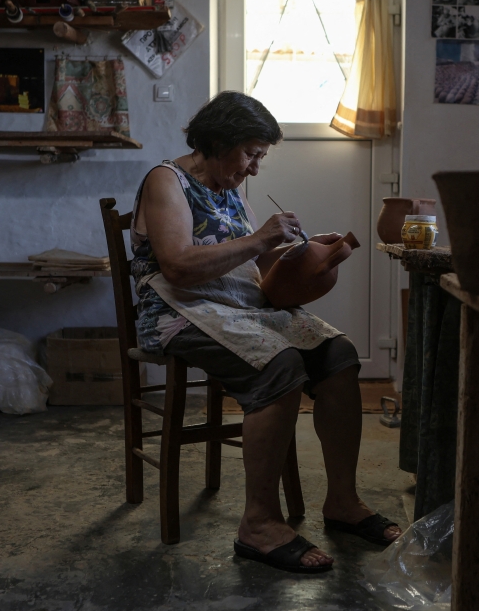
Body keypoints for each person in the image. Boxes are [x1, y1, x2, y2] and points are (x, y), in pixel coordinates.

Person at [130, 91, 402, 574]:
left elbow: (263, 272)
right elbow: (175, 266)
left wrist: (306, 256)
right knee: (280, 366)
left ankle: (342, 501)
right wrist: (259, 238)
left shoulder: (232, 193)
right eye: (251, 153)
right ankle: (258, 524)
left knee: (339, 355)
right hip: (178, 310)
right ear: (220, 141)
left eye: (260, 157)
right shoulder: (165, 181)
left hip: (239, 307)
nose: (255, 168)